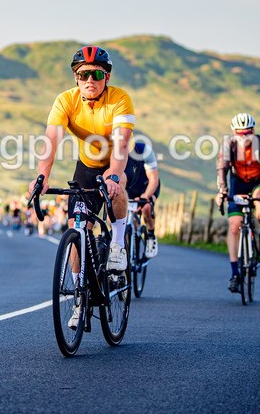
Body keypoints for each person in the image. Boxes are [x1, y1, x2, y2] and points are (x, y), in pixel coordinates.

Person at [28, 45, 134, 329]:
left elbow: (121, 144)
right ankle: (78, 296)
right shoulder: (66, 100)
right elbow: (51, 140)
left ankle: (117, 244)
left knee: (118, 187)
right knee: (77, 226)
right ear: (76, 77)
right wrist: (42, 177)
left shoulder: (120, 99)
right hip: (86, 167)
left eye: (96, 74)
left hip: (116, 163)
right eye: (84, 74)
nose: (90, 80)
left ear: (106, 77)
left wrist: (113, 176)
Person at [216, 113, 260, 293]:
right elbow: (222, 168)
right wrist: (222, 191)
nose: (244, 137)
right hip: (238, 184)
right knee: (235, 225)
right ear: (234, 132)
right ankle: (235, 274)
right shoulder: (228, 145)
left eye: (247, 132)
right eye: (240, 133)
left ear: (253, 131)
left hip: (257, 183)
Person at [124, 139, 161, 258]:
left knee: (146, 208)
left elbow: (153, 179)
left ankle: (150, 235)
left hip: (147, 186)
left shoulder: (144, 150)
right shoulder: (115, 151)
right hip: (128, 189)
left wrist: (145, 196)